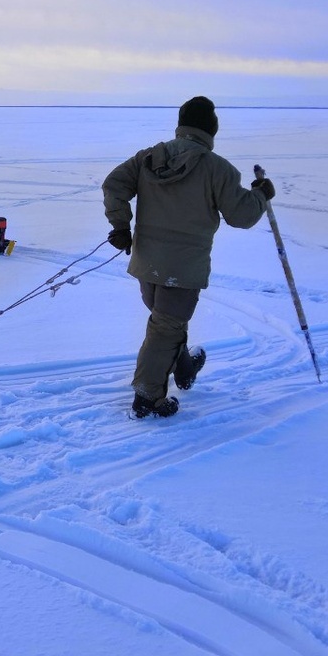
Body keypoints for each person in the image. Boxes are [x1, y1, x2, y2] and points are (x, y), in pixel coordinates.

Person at [102, 96, 275, 418]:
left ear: (181, 125)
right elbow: (241, 216)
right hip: (183, 267)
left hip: (146, 261)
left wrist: (121, 225)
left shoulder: (148, 158)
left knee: (165, 321)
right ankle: (148, 396)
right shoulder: (217, 168)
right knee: (166, 327)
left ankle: (183, 366)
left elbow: (114, 185)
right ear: (211, 130)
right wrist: (262, 195)